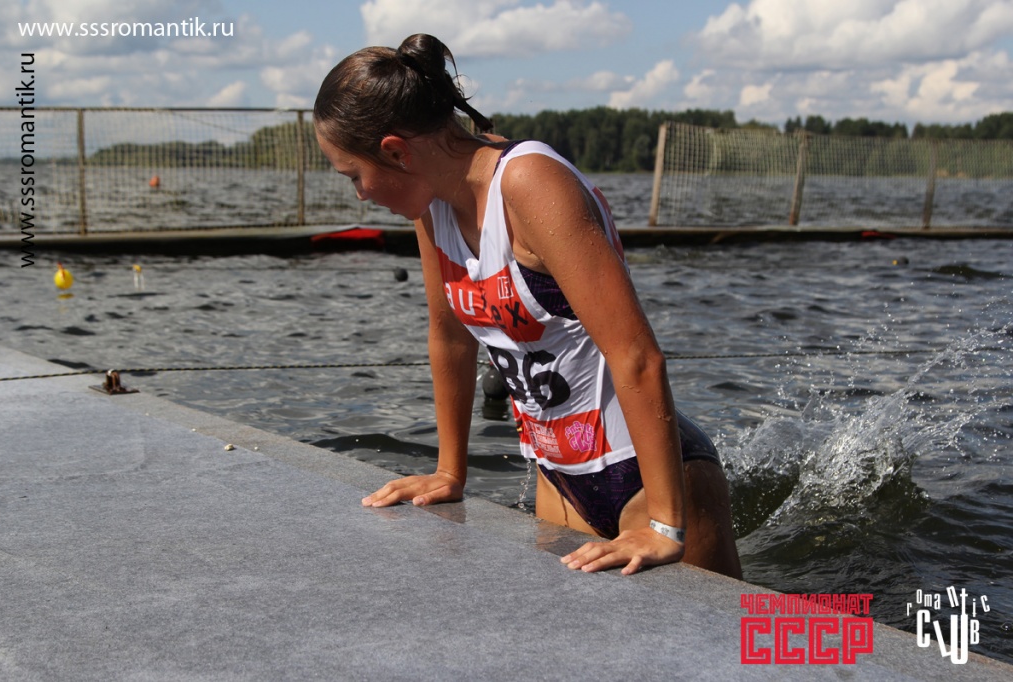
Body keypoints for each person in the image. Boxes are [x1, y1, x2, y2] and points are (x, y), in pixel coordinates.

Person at [313, 33, 742, 578]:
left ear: (397, 151)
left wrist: (665, 526)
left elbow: (636, 354)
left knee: (716, 635)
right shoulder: (430, 208)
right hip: (558, 476)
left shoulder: (529, 182)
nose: (360, 195)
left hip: (649, 477)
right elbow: (449, 337)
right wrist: (450, 473)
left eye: (354, 175)